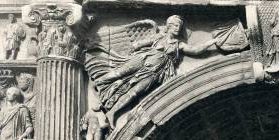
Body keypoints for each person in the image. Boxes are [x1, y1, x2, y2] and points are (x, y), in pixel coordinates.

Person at [88, 15, 219, 126]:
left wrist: (212, 41)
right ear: (168, 26)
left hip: (155, 73)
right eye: (174, 25)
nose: (177, 28)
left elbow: (195, 50)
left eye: (179, 26)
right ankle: (96, 86)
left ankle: (112, 113)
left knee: (134, 92)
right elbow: (140, 43)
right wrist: (134, 47)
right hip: (143, 59)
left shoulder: (179, 45)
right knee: (119, 73)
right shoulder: (159, 37)